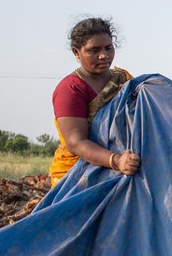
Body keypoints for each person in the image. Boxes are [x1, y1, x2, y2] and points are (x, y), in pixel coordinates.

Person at [49, 17, 141, 186]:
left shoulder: (123, 80)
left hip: (124, 164)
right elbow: (76, 142)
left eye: (108, 48)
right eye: (94, 50)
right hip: (77, 173)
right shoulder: (70, 89)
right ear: (76, 52)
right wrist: (116, 160)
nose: (104, 55)